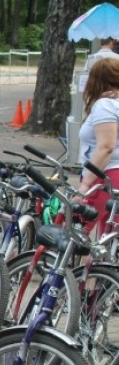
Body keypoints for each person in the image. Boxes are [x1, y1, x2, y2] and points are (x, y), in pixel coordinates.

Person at [77, 57, 119, 235]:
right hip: (111, 173)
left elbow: (106, 146)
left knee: (76, 231)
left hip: (104, 174)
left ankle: (87, 264)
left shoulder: (105, 105)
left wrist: (86, 183)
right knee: (108, 233)